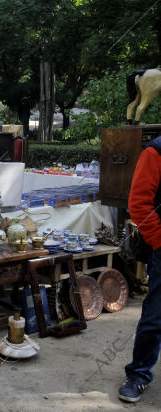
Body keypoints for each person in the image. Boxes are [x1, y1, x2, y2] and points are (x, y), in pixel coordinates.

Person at [118, 134, 161, 403]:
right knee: (156, 316)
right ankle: (138, 374)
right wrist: (159, 240)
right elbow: (139, 204)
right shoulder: (156, 152)